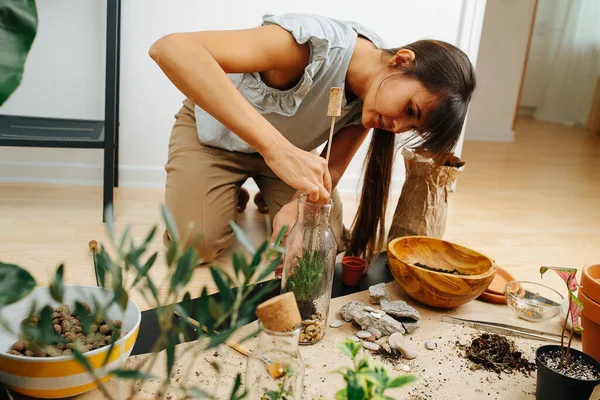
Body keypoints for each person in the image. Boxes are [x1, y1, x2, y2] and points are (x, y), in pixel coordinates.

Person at [149, 12, 476, 265]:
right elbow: (171, 48)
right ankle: (225, 193)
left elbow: (330, 169)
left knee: (322, 246)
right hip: (213, 139)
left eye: (412, 127)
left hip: (284, 161)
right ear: (402, 61)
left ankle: (269, 197)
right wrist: (275, 148)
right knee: (194, 249)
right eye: (410, 109)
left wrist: (296, 205)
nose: (399, 126)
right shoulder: (311, 43)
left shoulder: (371, 101)